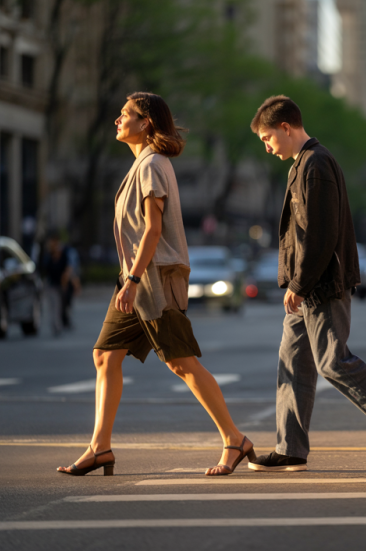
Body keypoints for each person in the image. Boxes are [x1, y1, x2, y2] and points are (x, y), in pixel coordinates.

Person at [58, 92, 253, 477]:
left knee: (181, 363)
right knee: (105, 356)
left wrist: (131, 280)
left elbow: (153, 229)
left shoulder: (151, 166)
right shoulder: (143, 165)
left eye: (125, 114)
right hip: (136, 278)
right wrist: (128, 280)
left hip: (153, 278)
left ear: (145, 122)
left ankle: (235, 440)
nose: (118, 120)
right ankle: (100, 448)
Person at [248, 95, 366, 472]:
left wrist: (299, 282)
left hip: (322, 285)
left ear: (286, 127)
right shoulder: (304, 164)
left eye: (267, 138)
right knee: (293, 362)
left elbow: (320, 235)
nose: (266, 146)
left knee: (334, 362)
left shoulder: (317, 164)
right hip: (309, 285)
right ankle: (290, 448)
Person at [39, 230, 71, 336]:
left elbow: (67, 267)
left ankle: (59, 324)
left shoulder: (63, 253)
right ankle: (55, 325)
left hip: (60, 284)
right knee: (52, 305)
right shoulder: (48, 254)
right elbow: (44, 268)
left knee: (59, 305)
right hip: (50, 283)